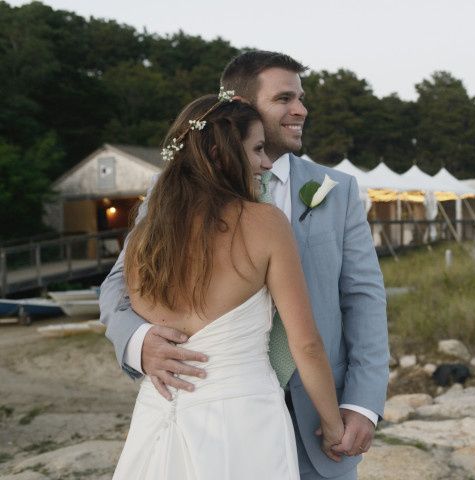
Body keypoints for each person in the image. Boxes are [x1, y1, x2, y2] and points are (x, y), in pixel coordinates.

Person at [100, 51, 389, 480]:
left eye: (302, 98)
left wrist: (363, 402)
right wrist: (137, 342)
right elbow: (118, 284)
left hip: (321, 419)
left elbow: (364, 299)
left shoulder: (337, 189)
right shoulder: (168, 192)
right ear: (241, 106)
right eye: (285, 98)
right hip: (214, 402)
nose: (301, 110)